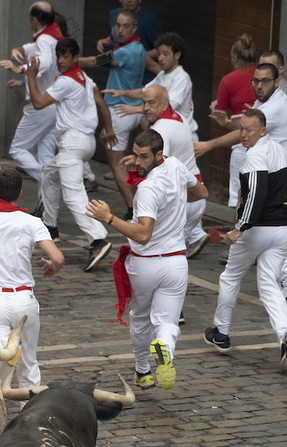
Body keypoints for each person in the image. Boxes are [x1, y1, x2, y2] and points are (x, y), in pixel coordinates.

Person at [86, 129, 207, 390]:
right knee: (167, 322)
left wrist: (109, 218)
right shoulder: (175, 165)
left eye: (143, 157)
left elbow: (143, 234)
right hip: (176, 262)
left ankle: (142, 370)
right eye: (135, 155)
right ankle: (164, 348)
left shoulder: (147, 190)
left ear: (158, 155)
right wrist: (177, 200)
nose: (138, 162)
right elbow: (201, 192)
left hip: (146, 263)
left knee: (141, 317)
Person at [195, 62, 287, 286]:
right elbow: (247, 123)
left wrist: (209, 145)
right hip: (278, 172)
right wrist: (227, 121)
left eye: (265, 81)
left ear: (277, 81)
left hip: (278, 174)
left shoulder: (274, 107)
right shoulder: (266, 101)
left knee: (263, 222)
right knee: (269, 222)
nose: (259, 86)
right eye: (256, 81)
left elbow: (246, 129)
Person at [203, 109, 287, 371]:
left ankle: (221, 333)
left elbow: (255, 194)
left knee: (230, 277)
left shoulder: (254, 156)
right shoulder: (276, 148)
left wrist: (240, 228)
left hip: (258, 230)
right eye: (241, 129)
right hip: (282, 230)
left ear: (262, 130)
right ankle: (286, 334)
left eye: (249, 130)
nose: (243, 134)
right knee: (269, 285)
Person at [0, 168, 63, 387]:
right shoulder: (32, 222)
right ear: (20, 194)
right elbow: (58, 257)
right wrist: (53, 267)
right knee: (29, 363)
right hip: (24, 299)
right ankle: (31, 414)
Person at [26, 38, 115, 272]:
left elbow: (38, 103)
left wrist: (30, 76)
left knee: (74, 194)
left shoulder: (66, 81)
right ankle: (50, 226)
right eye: (59, 55)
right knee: (48, 174)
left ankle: (97, 240)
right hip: (83, 143)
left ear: (75, 58)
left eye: (66, 56)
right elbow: (100, 102)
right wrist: (108, 129)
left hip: (73, 142)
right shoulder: (86, 79)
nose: (61, 60)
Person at [81, 9, 145, 211]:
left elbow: (96, 62)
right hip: (135, 113)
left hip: (119, 114)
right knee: (131, 162)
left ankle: (132, 209)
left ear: (134, 28)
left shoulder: (124, 52)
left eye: (126, 26)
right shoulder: (139, 47)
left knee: (118, 166)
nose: (120, 30)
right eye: (118, 25)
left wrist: (74, 61)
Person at [138, 85, 208, 257]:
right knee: (174, 253)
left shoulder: (159, 129)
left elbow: (161, 165)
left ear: (164, 105)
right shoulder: (180, 118)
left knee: (155, 253)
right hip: (196, 198)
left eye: (151, 103)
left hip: (181, 201)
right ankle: (197, 236)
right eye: (144, 103)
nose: (146, 108)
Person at [0, 2, 62, 186]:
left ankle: (48, 179)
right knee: (45, 154)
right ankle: (46, 207)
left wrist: (20, 69)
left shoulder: (44, 41)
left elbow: (46, 62)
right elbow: (27, 49)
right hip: (54, 104)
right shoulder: (52, 37)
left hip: (41, 104)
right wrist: (15, 51)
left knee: (17, 149)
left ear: (34, 20)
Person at [103, 32, 197, 137]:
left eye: (165, 54)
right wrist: (122, 93)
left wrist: (136, 109)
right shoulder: (162, 75)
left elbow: (170, 107)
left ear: (177, 55)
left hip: (183, 135)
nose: (160, 58)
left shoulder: (182, 78)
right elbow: (144, 92)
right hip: (168, 132)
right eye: (159, 54)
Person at [206, 34, 260, 208]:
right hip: (267, 141)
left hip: (241, 144)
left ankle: (239, 232)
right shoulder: (264, 78)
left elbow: (221, 115)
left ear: (234, 57)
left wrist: (216, 111)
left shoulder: (228, 81)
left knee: (240, 198)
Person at [96, 0, 161, 81]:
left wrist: (138, 55)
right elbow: (115, 36)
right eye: (118, 25)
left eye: (126, 26)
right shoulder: (113, 15)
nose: (129, 1)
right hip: (118, 75)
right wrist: (105, 41)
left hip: (142, 78)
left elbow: (160, 49)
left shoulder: (149, 19)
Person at [259, 50, 287, 133]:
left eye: (269, 67)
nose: (263, 72)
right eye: (261, 67)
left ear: (281, 69)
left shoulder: (282, 93)